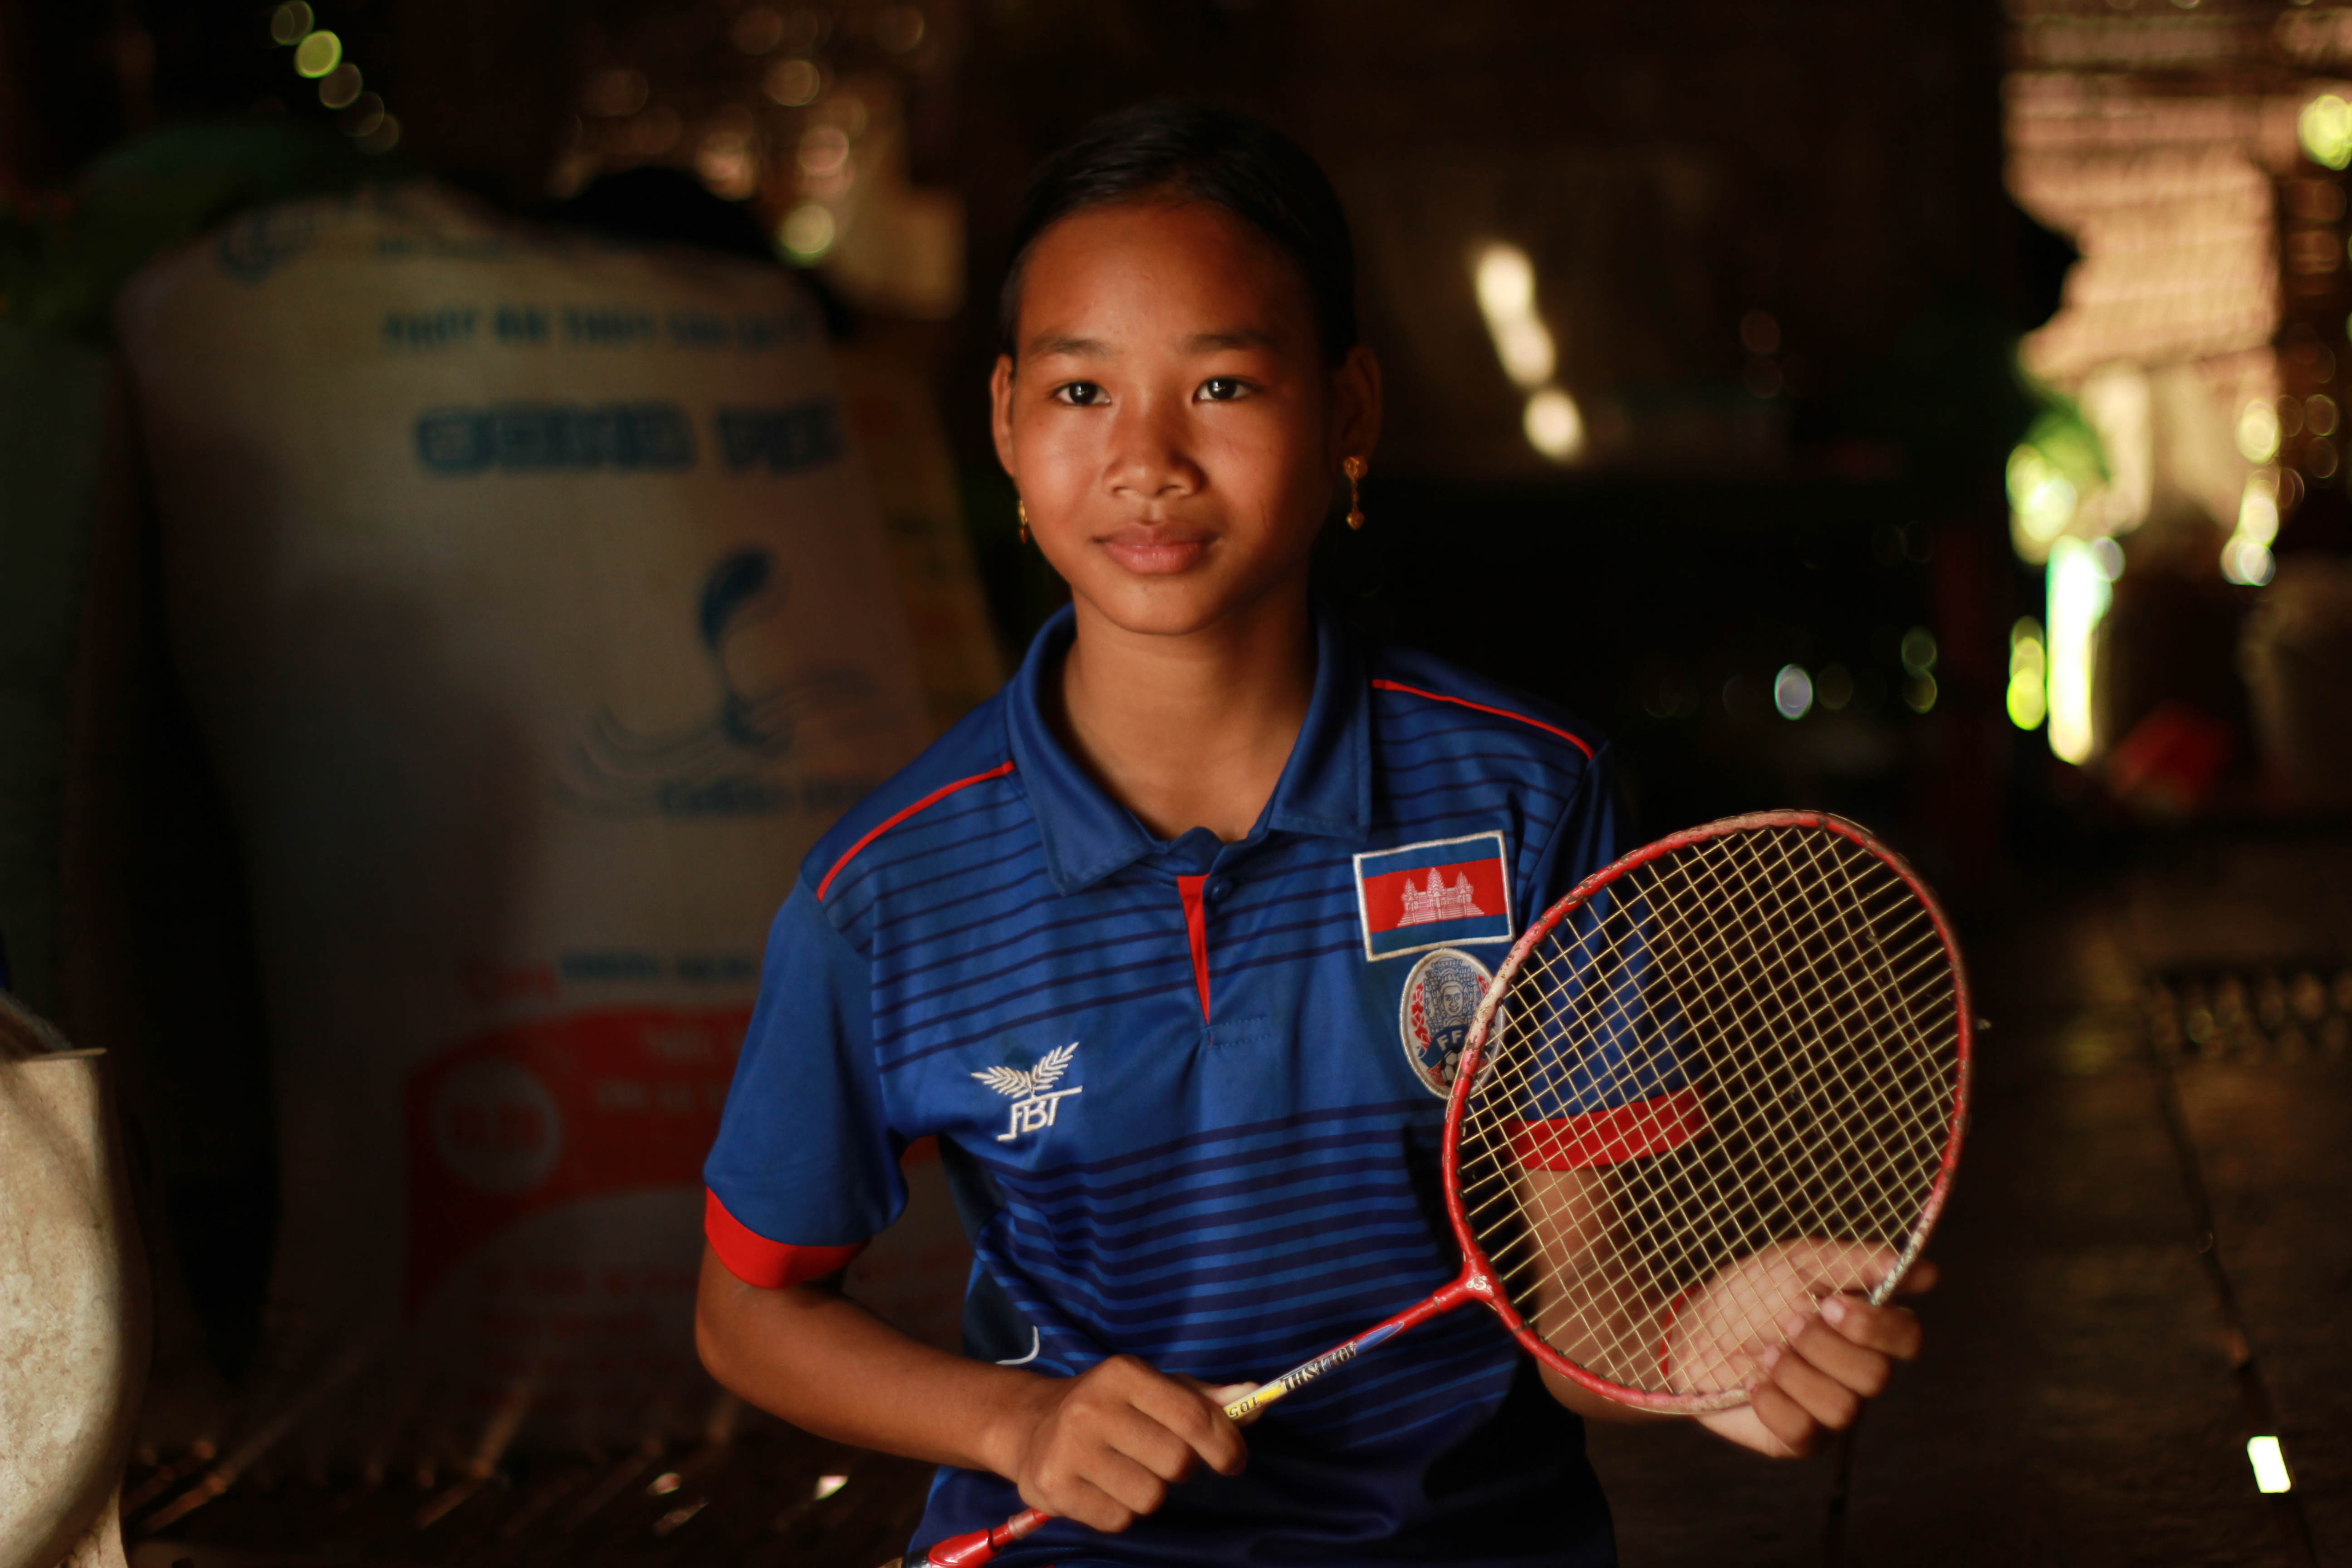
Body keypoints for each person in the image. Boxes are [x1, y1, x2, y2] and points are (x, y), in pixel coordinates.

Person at [695, 101, 1932, 1567]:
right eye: (1083, 395)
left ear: (1349, 412)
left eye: (1222, 384)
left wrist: (1697, 1343)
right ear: (1007, 424)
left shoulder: (1529, 800)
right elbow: (749, 1309)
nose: (1148, 460)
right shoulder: (889, 888)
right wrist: (1015, 1430)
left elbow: (1566, 1313)